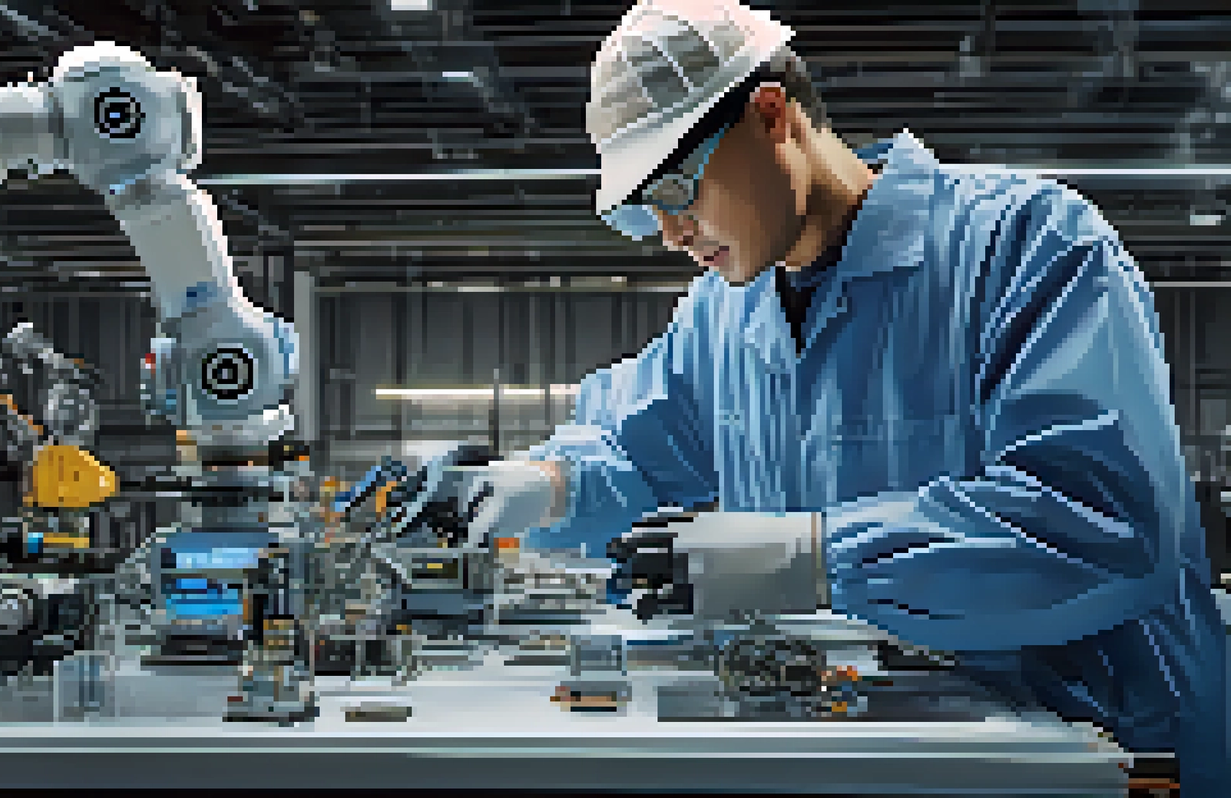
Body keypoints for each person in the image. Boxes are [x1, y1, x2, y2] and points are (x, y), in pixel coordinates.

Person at [405, 0, 1230, 794]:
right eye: (637, 217)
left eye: (674, 191)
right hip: (874, 733)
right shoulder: (726, 316)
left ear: (771, 117)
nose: (668, 234)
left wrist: (811, 557)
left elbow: (1104, 522)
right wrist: (542, 483)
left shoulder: (1022, 246)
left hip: (1100, 737)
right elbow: (634, 446)